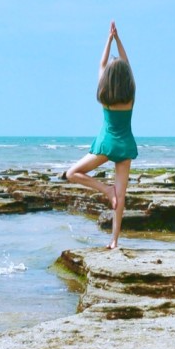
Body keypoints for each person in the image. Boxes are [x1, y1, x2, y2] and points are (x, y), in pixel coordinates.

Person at [64, 21, 137, 249]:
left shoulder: (104, 94)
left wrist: (108, 39)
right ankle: (114, 240)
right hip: (125, 145)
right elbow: (127, 64)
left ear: (108, 77)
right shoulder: (130, 95)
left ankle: (106, 190)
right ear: (126, 77)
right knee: (121, 195)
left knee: (71, 173)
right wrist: (118, 39)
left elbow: (102, 64)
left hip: (106, 144)